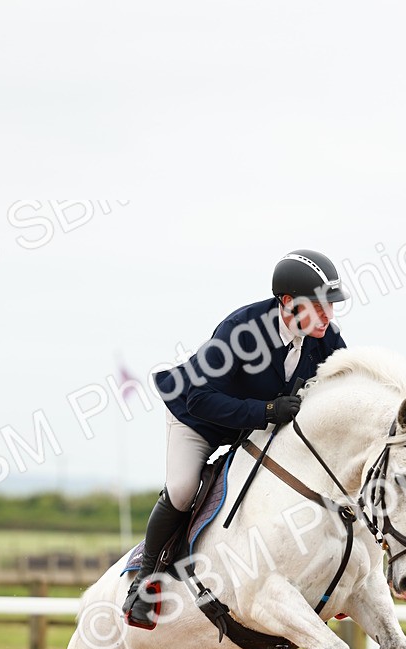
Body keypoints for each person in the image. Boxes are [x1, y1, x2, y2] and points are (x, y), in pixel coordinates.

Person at [122, 249, 349, 628]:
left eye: (332, 306)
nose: (329, 316)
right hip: (197, 421)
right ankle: (145, 582)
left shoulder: (325, 338)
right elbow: (200, 398)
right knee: (182, 489)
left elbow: (342, 391)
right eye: (320, 307)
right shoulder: (241, 332)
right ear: (289, 304)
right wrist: (266, 413)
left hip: (253, 429)